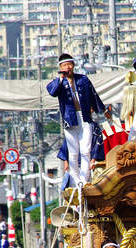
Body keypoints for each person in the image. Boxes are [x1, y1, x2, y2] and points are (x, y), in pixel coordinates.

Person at [47, 52, 110, 185]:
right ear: (60, 67)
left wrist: (103, 110)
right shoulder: (57, 82)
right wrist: (60, 78)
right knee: (73, 153)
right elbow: (52, 92)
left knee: (85, 150)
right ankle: (76, 181)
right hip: (69, 119)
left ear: (74, 65)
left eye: (69, 64)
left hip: (85, 117)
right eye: (64, 65)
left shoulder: (83, 79)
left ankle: (84, 179)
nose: (68, 67)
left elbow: (94, 95)